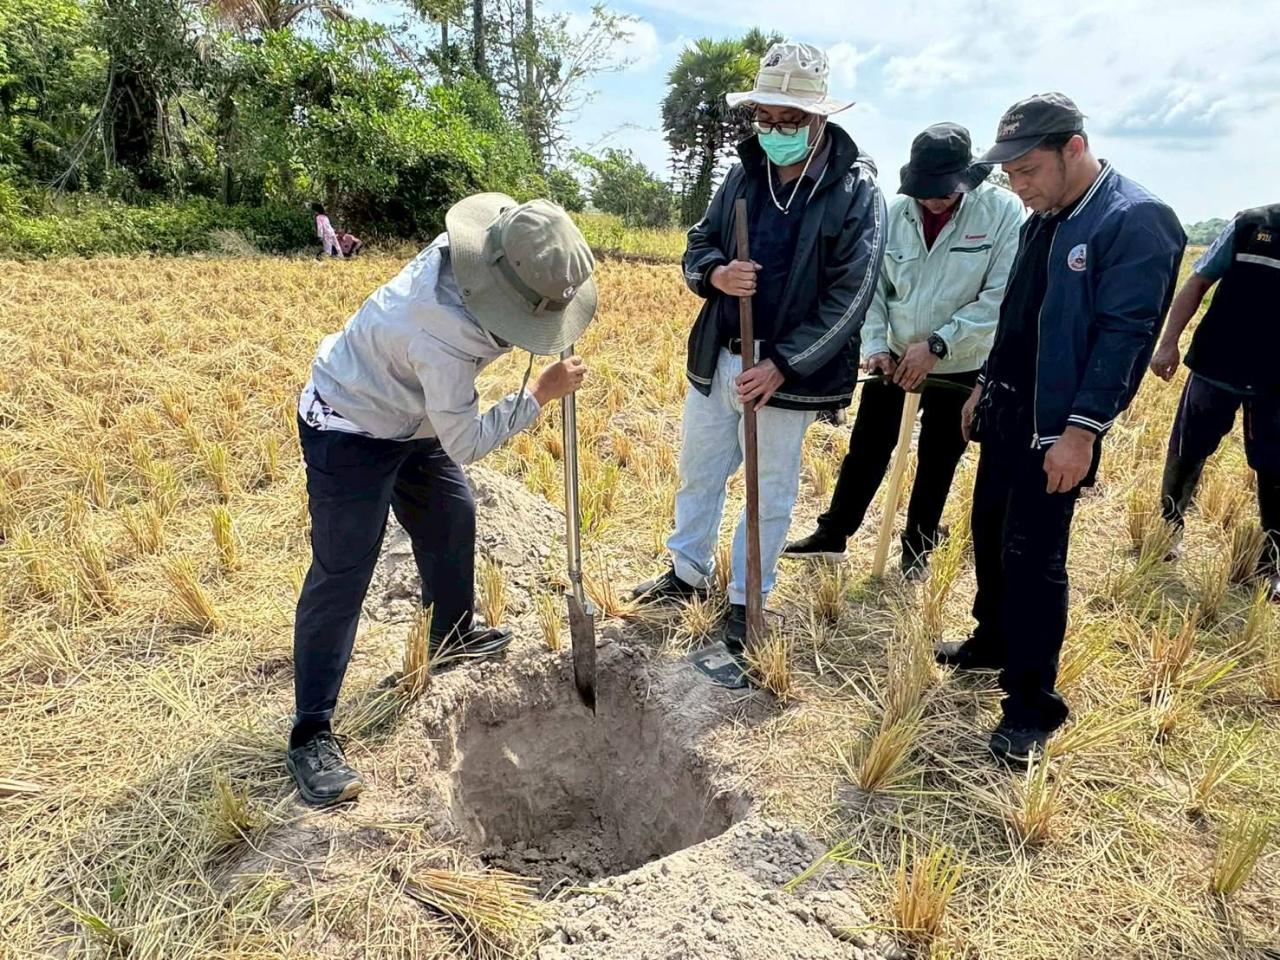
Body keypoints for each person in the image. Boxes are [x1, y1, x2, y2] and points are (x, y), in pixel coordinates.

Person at [288, 195, 596, 806]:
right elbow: (468, 439)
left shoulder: (496, 243)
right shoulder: (437, 333)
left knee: (452, 514)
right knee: (344, 570)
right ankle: (310, 734)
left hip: (415, 413)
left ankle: (451, 636)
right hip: (350, 423)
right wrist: (538, 394)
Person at [628, 41, 886, 687]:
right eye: (765, 119)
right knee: (700, 471)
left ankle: (747, 601)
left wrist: (785, 366)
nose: (774, 132)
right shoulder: (743, 176)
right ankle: (686, 572)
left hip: (786, 373)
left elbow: (850, 297)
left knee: (769, 492)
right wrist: (715, 273)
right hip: (721, 353)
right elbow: (700, 241)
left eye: (789, 121)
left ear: (820, 120)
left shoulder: (856, 193)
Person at [938, 93, 1186, 764]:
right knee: (989, 527)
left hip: (1060, 425)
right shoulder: (1044, 217)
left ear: (1073, 148)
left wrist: (1080, 433)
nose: (1018, 188)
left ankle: (1031, 706)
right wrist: (986, 381)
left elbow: (1125, 338)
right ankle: (992, 640)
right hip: (1009, 406)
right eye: (1010, 176)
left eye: (1027, 171)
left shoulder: (1133, 220)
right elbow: (1017, 312)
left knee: (1033, 557)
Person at [785, 123, 1024, 579]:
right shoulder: (893, 213)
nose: (933, 200)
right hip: (893, 359)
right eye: (925, 190)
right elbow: (872, 289)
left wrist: (938, 344)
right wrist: (877, 347)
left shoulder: (1002, 213)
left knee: (939, 456)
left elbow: (1001, 296)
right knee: (867, 448)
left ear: (967, 178)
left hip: (960, 362)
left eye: (943, 191)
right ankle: (833, 534)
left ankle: (917, 547)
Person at [1149, 205, 1280, 601]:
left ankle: (1271, 563)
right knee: (1188, 450)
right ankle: (1168, 529)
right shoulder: (1253, 223)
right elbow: (1198, 280)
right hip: (1217, 364)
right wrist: (1168, 342)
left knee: (1276, 468)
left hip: (1276, 382)